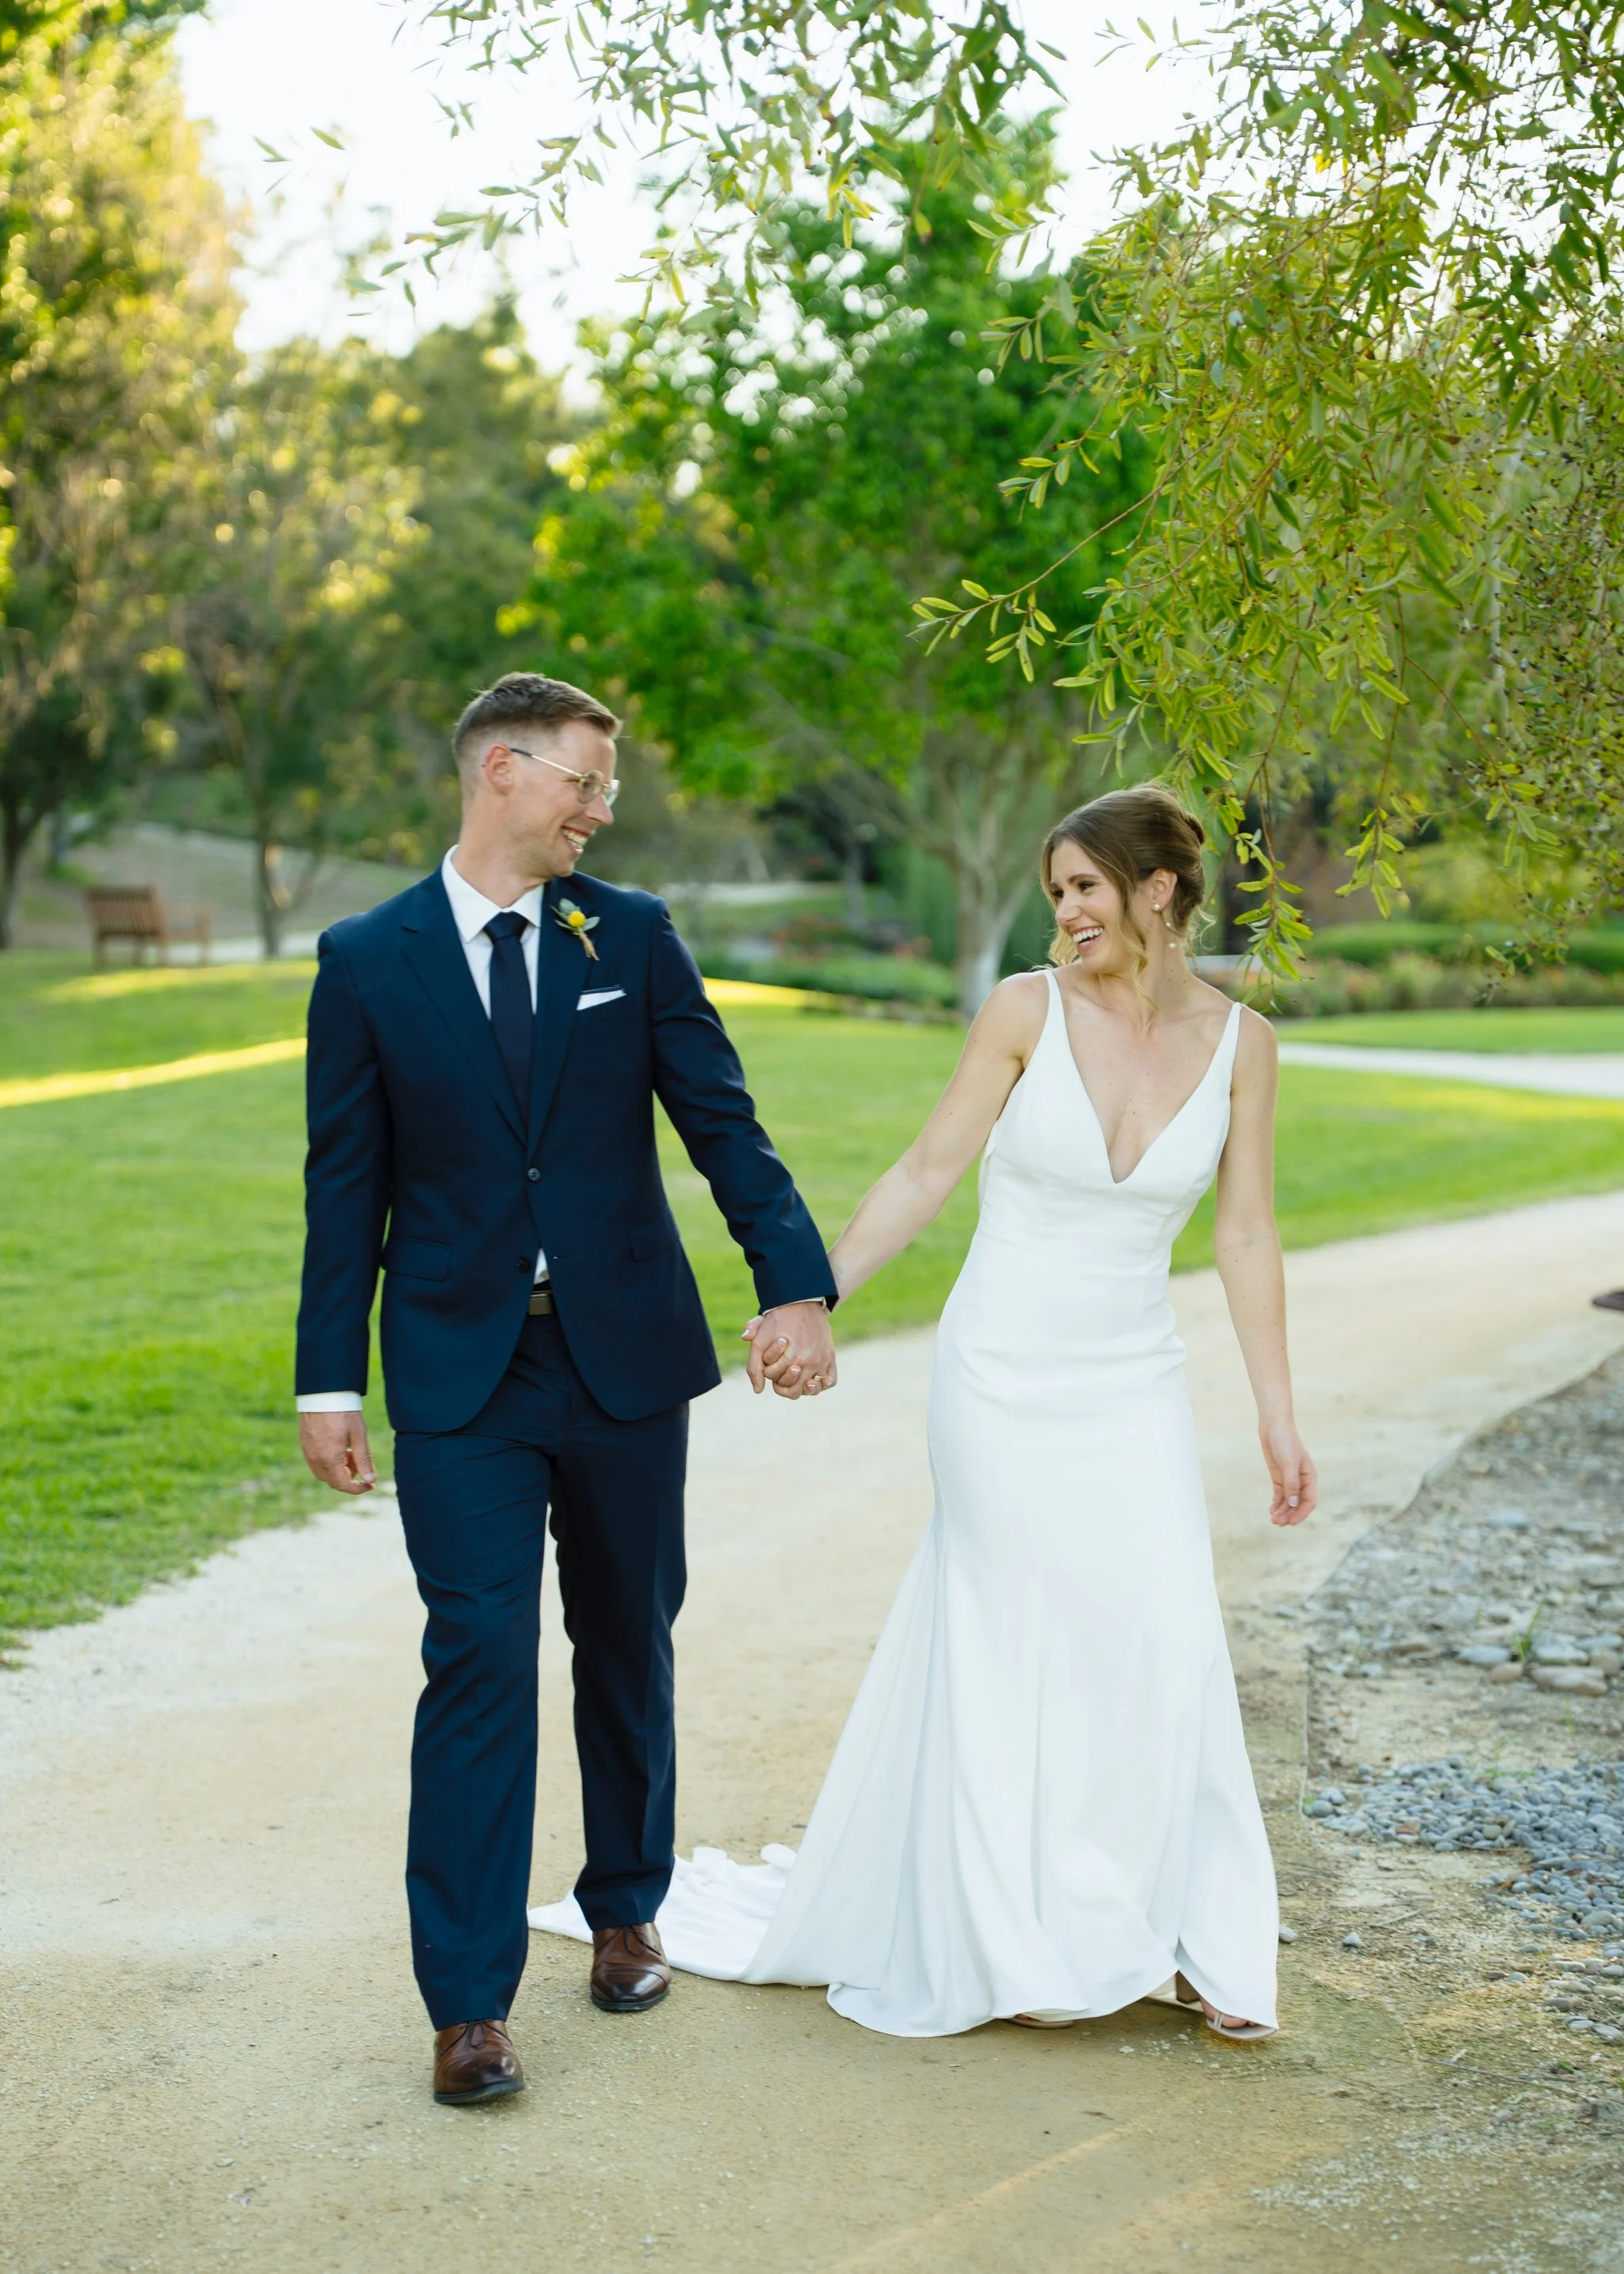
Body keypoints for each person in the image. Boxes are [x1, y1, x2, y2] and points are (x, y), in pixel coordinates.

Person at [534, 780, 1317, 2040]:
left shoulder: (1246, 1045)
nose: (1064, 913)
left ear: (1159, 891)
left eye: (1084, 888)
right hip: (1000, 1375)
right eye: (1055, 889)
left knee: (1156, 1634)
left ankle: (1188, 1932)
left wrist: (1279, 1414)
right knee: (1010, 1632)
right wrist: (810, 1296)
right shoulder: (1023, 1010)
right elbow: (924, 1170)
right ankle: (1005, 1936)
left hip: (1134, 1383)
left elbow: (1247, 1232)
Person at [295, 673, 838, 2106]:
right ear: (503, 774)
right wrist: (322, 1380)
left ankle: (623, 1906)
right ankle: (468, 2001)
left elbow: (723, 1119)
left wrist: (793, 1279)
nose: (604, 809)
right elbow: (342, 1188)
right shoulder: (366, 958)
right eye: (586, 783)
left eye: (606, 790)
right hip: (461, 1373)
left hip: (621, 1363)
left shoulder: (633, 936)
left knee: (624, 1636)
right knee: (476, 1656)